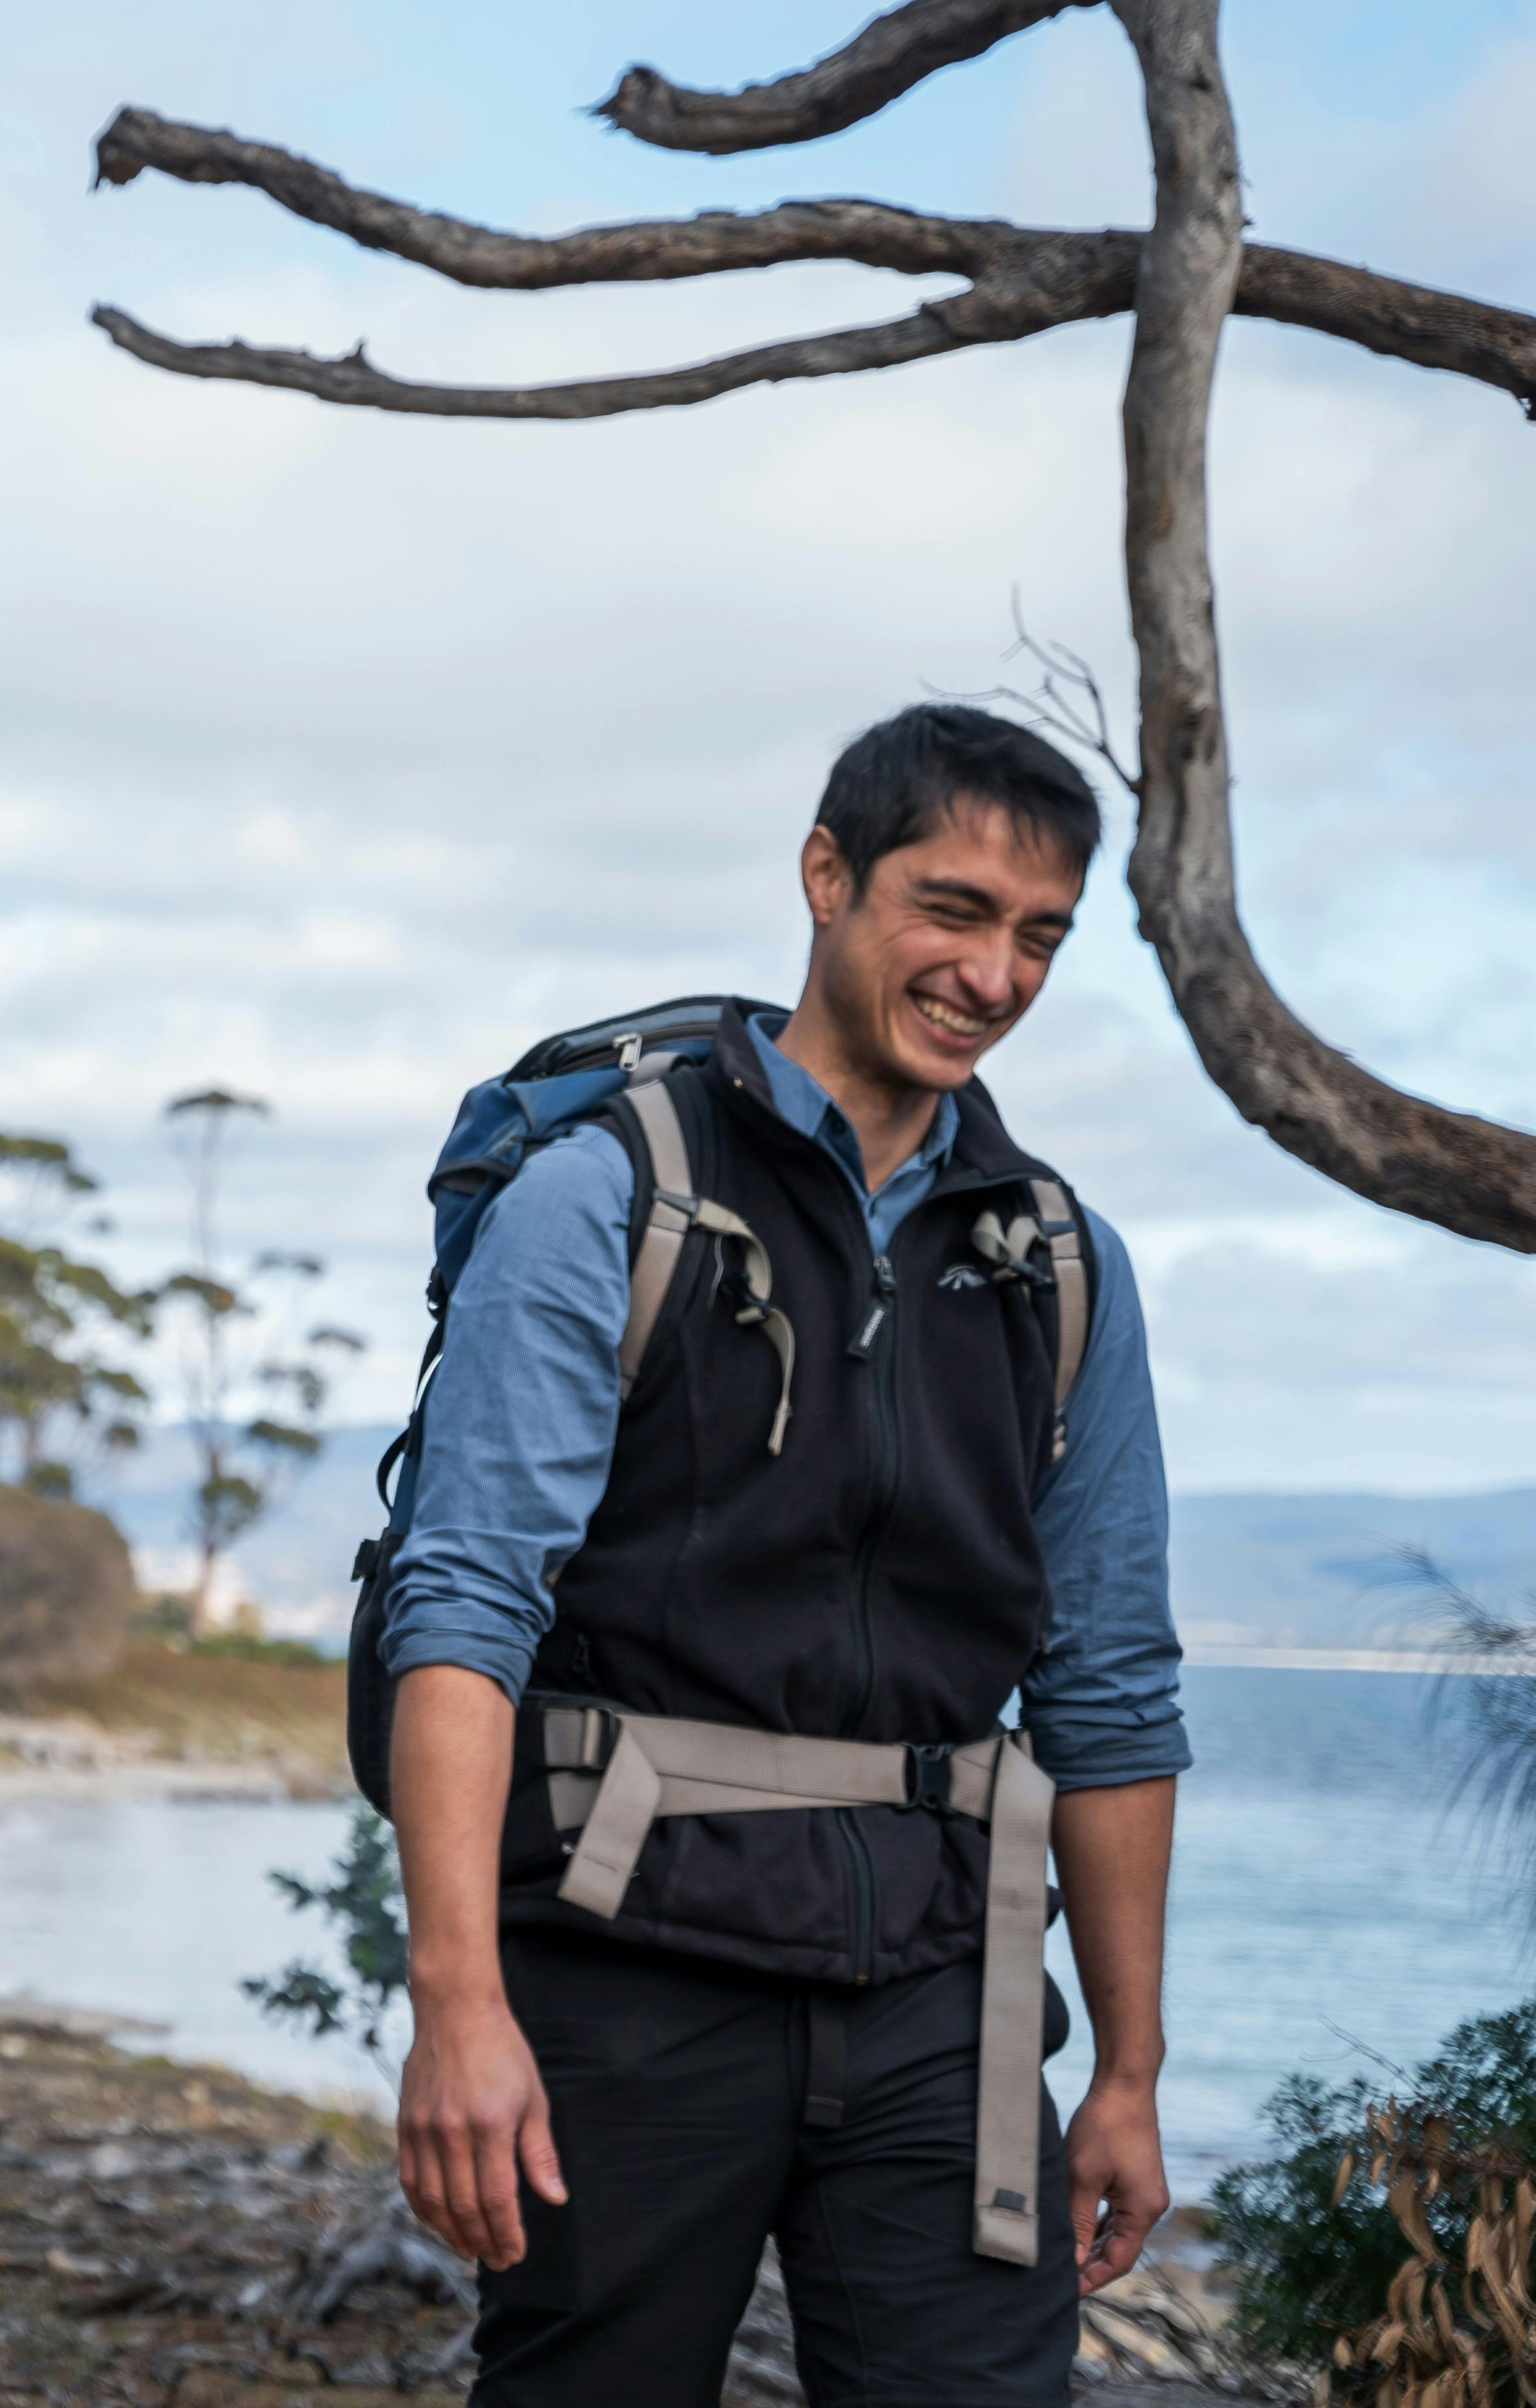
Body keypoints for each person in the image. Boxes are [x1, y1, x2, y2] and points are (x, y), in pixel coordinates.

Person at [380, 704, 1184, 2405]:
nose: (992, 972)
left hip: (938, 2002)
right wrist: (454, 2000)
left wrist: (1123, 2065)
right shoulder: (604, 1195)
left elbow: (1107, 1685)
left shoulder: (1056, 1264)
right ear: (823, 876)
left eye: (1035, 934)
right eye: (947, 909)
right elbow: (460, 1609)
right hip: (622, 1964)